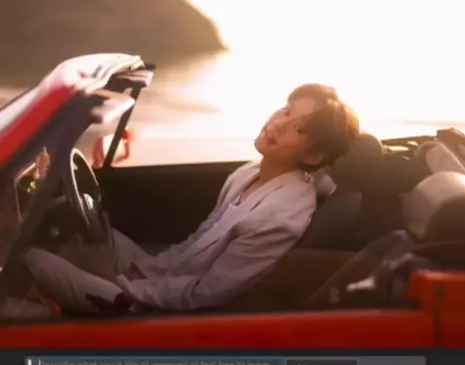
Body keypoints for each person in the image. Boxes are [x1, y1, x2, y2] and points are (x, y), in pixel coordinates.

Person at [23, 84, 360, 314]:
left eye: (299, 129)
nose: (279, 124)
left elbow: (211, 292)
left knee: (30, 259)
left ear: (314, 156)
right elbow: (197, 241)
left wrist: (131, 287)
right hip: (163, 277)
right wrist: (148, 269)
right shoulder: (249, 173)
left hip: (163, 310)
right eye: (286, 111)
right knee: (84, 235)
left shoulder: (281, 215)